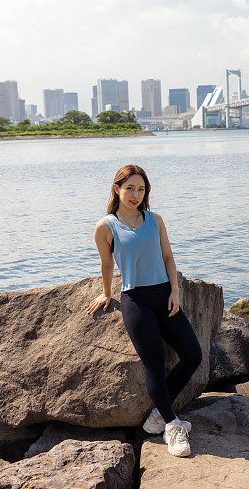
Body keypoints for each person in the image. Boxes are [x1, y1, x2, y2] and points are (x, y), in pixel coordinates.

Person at [85, 164, 202, 458]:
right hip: (135, 300)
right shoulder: (105, 226)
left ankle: (157, 415)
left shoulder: (155, 220)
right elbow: (107, 265)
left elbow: (167, 257)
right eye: (130, 189)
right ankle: (172, 425)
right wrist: (105, 293)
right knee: (155, 363)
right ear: (117, 189)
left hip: (164, 295)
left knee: (193, 354)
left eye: (141, 189)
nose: (136, 194)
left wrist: (175, 291)